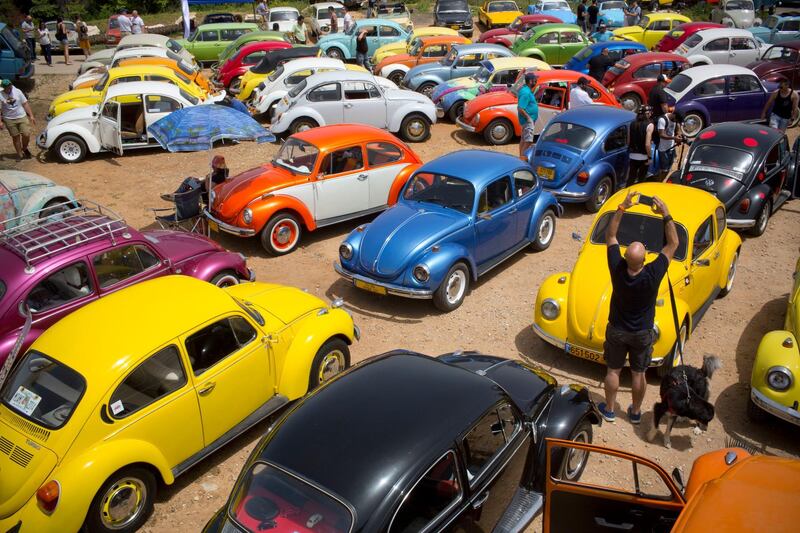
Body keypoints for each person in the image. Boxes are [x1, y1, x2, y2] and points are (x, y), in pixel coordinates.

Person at [598, 191, 678, 424]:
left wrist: (623, 207)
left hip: (617, 329)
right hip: (642, 333)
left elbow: (611, 234)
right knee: (638, 373)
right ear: (645, 259)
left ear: (625, 257)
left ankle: (610, 409)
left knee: (613, 371)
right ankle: (634, 411)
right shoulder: (653, 273)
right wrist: (665, 214)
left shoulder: (617, 267)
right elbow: (673, 243)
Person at [0, 79, 36, 162]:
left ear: (11, 85)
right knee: (15, 137)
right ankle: (20, 154)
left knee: (26, 134)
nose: (9, 89)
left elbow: (25, 103)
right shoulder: (1, 94)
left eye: (9, 86)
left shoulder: (18, 91)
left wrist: (31, 115)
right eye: (6, 87)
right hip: (9, 119)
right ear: (3, 87)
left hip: (21, 116)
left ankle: (24, 148)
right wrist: (0, 121)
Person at [627, 105, 653, 186]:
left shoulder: (632, 123)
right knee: (641, 180)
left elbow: (628, 141)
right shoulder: (650, 125)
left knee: (631, 178)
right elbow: (647, 144)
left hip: (632, 155)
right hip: (643, 156)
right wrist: (649, 157)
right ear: (647, 113)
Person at [517, 72, 539, 159]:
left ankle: (521, 156)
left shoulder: (526, 90)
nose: (536, 81)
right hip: (528, 121)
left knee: (523, 140)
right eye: (535, 80)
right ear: (530, 81)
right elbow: (520, 108)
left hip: (527, 121)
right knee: (528, 141)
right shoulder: (526, 92)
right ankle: (522, 158)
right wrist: (529, 118)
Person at [656, 109, 682, 180]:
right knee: (664, 170)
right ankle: (658, 184)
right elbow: (661, 135)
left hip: (671, 147)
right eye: (676, 120)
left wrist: (679, 135)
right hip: (663, 149)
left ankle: (661, 181)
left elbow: (677, 127)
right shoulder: (662, 120)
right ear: (674, 115)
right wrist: (674, 138)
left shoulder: (675, 120)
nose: (676, 122)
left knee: (669, 168)